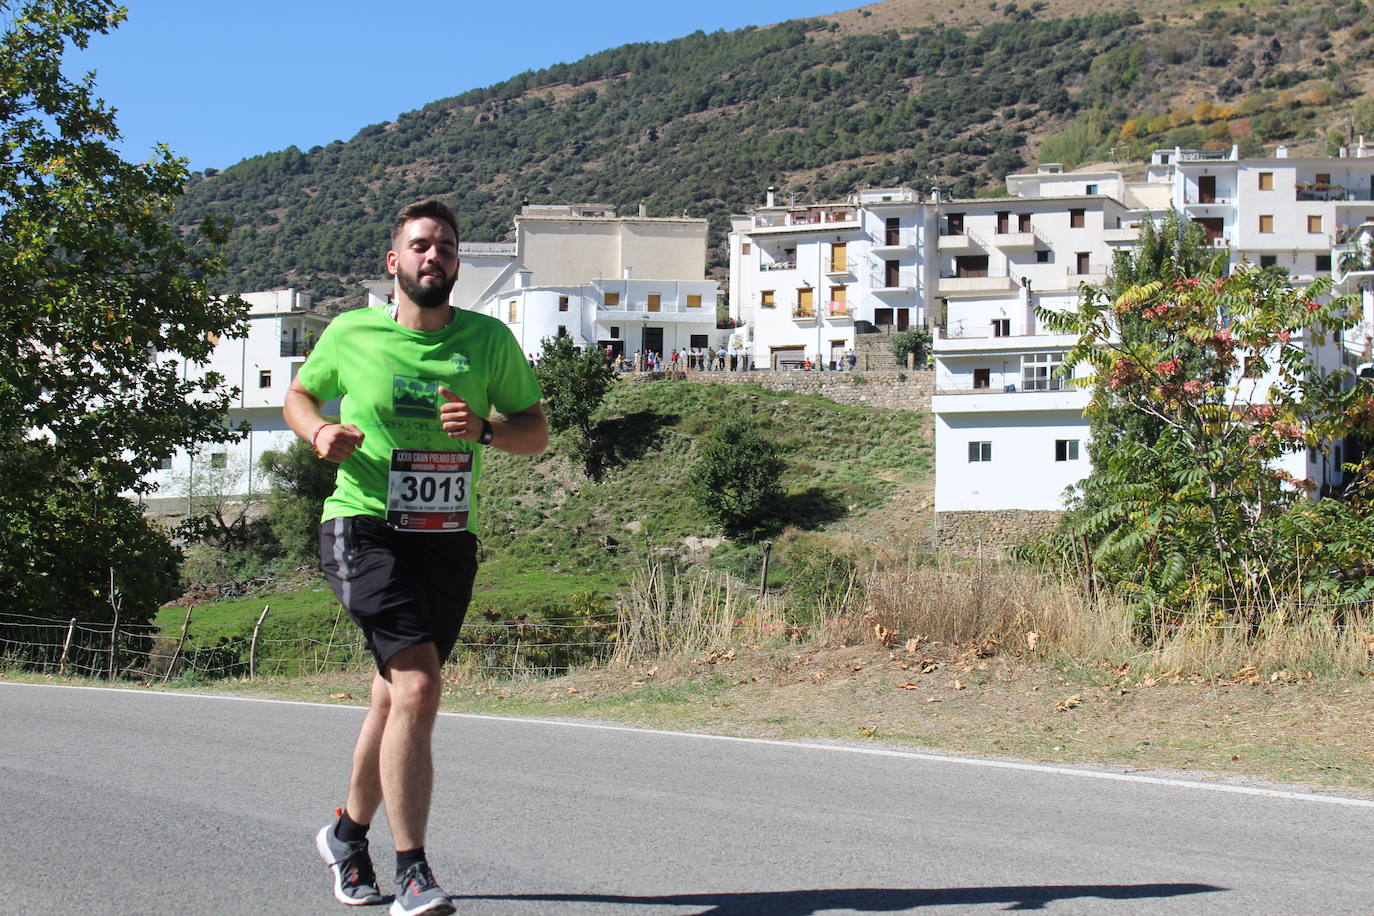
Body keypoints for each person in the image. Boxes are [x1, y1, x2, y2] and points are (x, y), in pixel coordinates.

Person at [285, 200, 548, 916]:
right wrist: (318, 434)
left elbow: (535, 431)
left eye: (448, 248)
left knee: (394, 695)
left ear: (457, 265)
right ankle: (413, 871)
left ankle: (346, 834)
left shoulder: (487, 342)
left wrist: (487, 431)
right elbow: (300, 394)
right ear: (394, 262)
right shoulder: (351, 331)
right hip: (364, 528)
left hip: (445, 540)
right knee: (421, 688)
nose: (436, 257)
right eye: (422, 246)